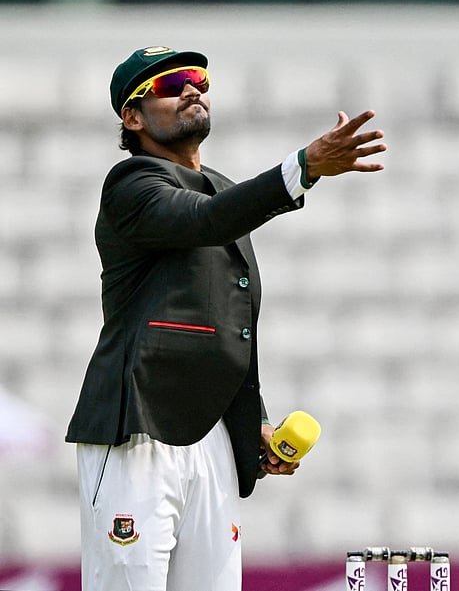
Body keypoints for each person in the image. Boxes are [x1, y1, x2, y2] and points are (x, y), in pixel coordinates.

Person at [66, 46, 387, 591]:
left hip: (212, 437)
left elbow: (230, 326)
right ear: (132, 117)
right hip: (138, 430)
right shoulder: (131, 185)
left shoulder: (221, 187)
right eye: (170, 85)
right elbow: (207, 221)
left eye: (198, 79)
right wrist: (303, 167)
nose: (193, 88)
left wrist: (252, 419)